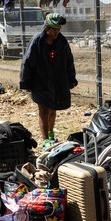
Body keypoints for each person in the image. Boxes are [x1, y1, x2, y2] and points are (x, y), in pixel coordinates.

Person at [19, 13, 77, 147]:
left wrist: (71, 78)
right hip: (40, 81)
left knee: (53, 108)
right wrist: (25, 81)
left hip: (57, 81)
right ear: (46, 28)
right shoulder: (37, 41)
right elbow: (27, 62)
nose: (56, 32)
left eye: (58, 29)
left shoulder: (62, 42)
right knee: (43, 110)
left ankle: (51, 136)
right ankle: (45, 141)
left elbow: (69, 60)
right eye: (54, 29)